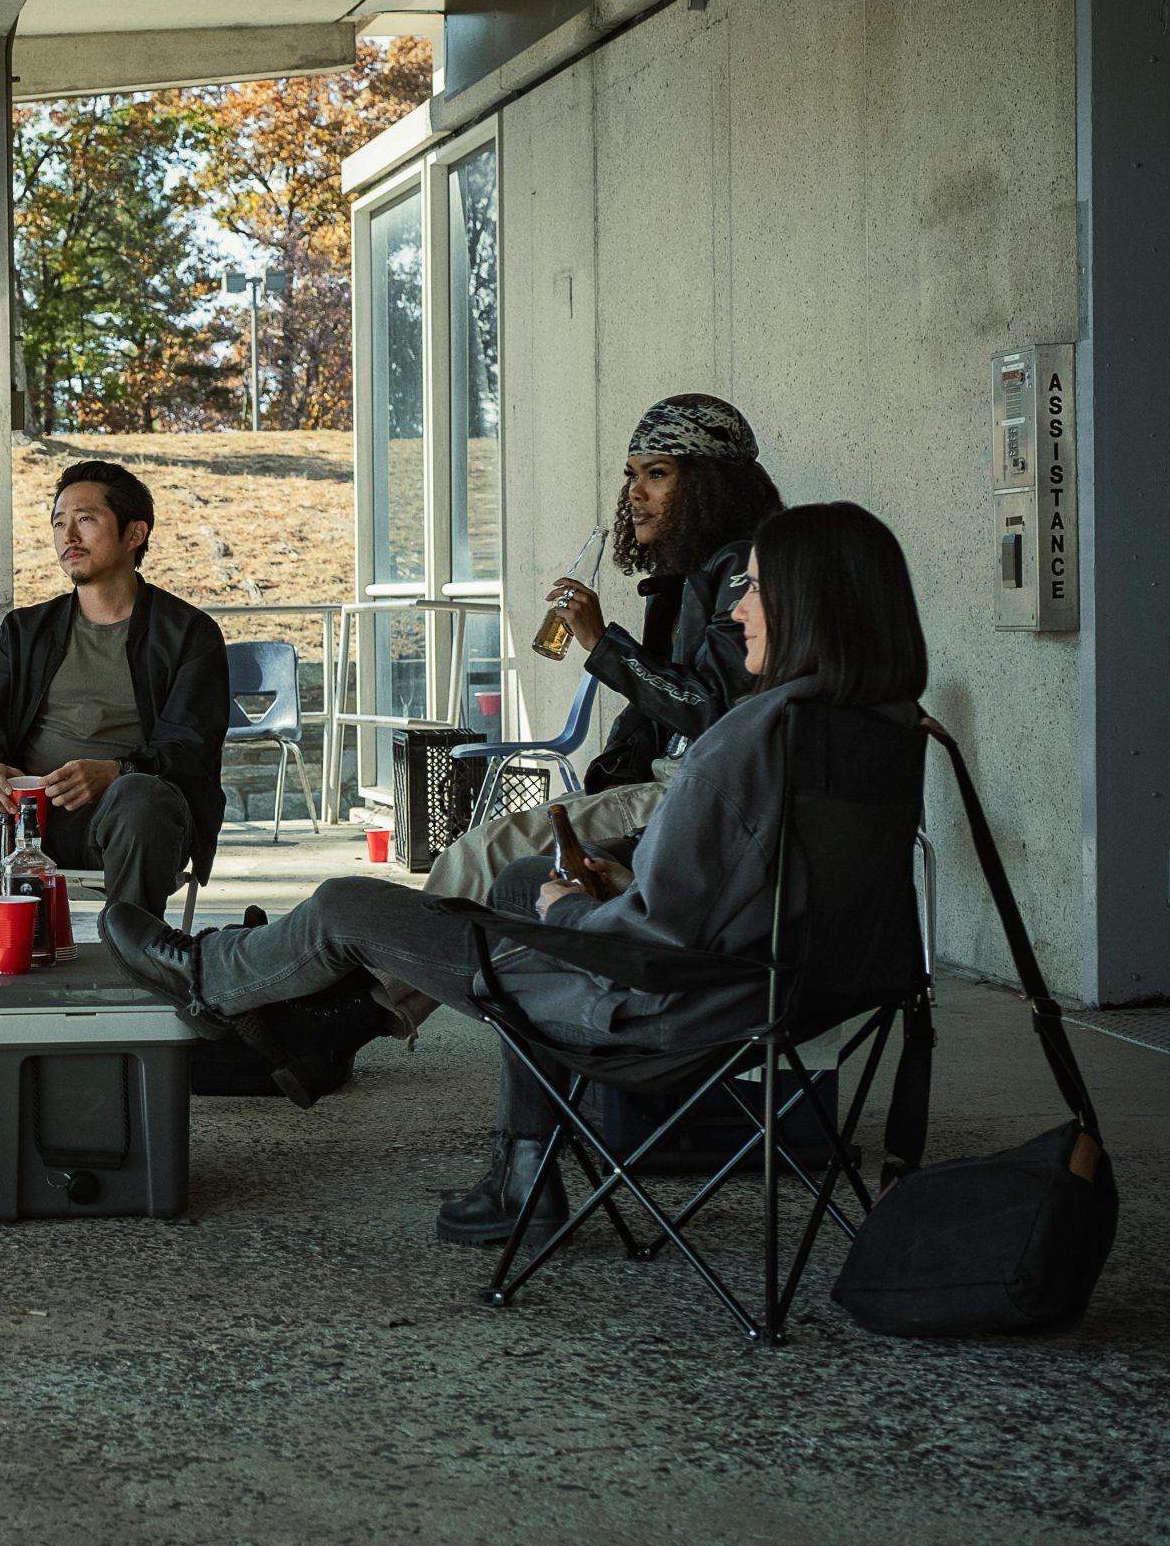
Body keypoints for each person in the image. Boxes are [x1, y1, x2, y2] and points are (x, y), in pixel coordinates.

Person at [99, 502, 929, 1249]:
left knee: (346, 905)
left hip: (658, 1006)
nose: (738, 608)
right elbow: (769, 882)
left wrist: (570, 912)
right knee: (519, 875)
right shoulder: (888, 731)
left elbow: (650, 937)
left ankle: (206, 974)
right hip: (789, 991)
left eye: (756, 589)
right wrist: (611, 878)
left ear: (813, 605)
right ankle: (523, 1170)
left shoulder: (749, 742)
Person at [362, 394, 784, 1052]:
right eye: (631, 474)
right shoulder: (689, 573)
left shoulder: (743, 569)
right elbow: (660, 712)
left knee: (479, 854)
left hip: (695, 795)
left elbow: (714, 711)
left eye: (658, 474)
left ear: (711, 483)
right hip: (665, 787)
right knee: (492, 859)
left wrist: (601, 644)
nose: (635, 494)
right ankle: (370, 1007)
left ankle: (360, 1011)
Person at [0, 461, 227, 952]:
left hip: (124, 820)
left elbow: (191, 748)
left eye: (86, 519)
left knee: (142, 797)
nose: (68, 536)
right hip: (19, 819)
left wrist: (117, 771)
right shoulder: (22, 634)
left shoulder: (187, 634)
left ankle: (134, 961)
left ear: (134, 533)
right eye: (59, 522)